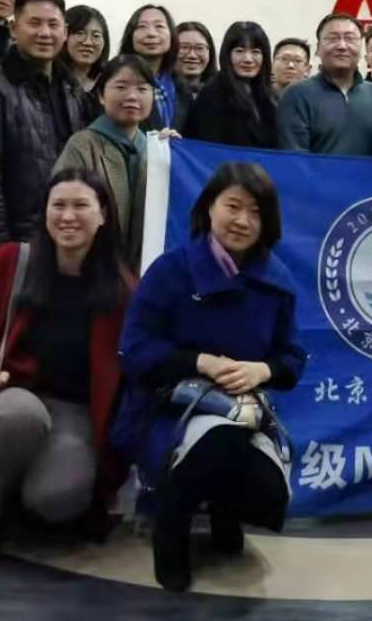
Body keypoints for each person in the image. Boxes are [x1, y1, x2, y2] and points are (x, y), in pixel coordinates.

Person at [116, 162, 308, 592]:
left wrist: (263, 369)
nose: (243, 221)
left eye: (255, 212)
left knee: (267, 494)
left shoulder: (277, 280)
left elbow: (293, 355)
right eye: (233, 206)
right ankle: (170, 527)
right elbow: (134, 349)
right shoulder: (171, 271)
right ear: (208, 208)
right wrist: (199, 362)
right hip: (167, 407)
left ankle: (226, 508)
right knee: (216, 444)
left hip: (244, 412)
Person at [0, 169, 132, 579]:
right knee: (19, 416)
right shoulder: (9, 263)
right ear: (44, 211)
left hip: (75, 412)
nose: (68, 216)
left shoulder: (121, 290)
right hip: (15, 395)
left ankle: (18, 487)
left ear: (103, 214)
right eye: (58, 205)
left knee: (57, 500)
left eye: (81, 205)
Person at [0, 0, 91, 243]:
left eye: (53, 25)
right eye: (34, 23)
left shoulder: (72, 88)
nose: (45, 33)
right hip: (20, 234)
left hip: (68, 228)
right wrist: (1, 246)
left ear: (64, 32)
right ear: (14, 29)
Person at [54, 55, 154, 273]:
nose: (132, 96)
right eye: (121, 87)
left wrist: (172, 154)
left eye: (142, 89)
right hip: (89, 269)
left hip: (139, 274)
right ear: (101, 95)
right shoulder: (82, 145)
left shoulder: (154, 150)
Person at [277, 13, 372, 154]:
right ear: (318, 48)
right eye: (333, 38)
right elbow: (294, 157)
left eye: (350, 38)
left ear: (361, 47)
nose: (342, 46)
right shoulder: (296, 95)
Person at [183, 21, 279, 149]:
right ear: (227, 55)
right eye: (239, 51)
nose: (248, 59)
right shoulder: (213, 94)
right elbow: (208, 148)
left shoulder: (269, 95)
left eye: (255, 52)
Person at [118, 3, 191, 131]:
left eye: (159, 26)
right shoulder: (116, 79)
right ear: (130, 35)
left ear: (171, 35)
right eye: (142, 26)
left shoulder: (181, 87)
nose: (151, 33)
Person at [62, 4, 110, 96]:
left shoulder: (110, 81)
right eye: (80, 33)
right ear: (64, 35)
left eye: (96, 36)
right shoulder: (50, 80)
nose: (88, 42)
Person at [175, 21, 218, 100]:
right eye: (184, 47)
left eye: (200, 48)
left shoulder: (223, 92)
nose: (192, 55)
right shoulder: (159, 92)